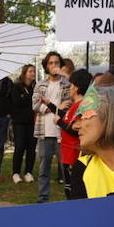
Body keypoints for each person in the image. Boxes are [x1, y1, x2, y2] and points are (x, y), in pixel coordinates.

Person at [33, 51, 69, 202]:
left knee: (66, 169)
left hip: (63, 133)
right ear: (46, 66)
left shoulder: (67, 84)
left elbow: (68, 107)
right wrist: (56, 107)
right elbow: (35, 105)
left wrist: (54, 106)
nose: (54, 65)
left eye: (56, 63)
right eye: (51, 63)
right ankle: (42, 199)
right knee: (43, 170)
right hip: (44, 132)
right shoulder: (40, 84)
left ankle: (70, 198)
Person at [57, 70, 93, 199]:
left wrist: (59, 122)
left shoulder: (81, 105)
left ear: (76, 88)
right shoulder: (74, 105)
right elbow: (68, 121)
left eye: (71, 85)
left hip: (73, 152)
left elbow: (75, 130)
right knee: (69, 186)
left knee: (72, 188)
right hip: (67, 152)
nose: (69, 88)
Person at [3, 64, 36, 183]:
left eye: (34, 71)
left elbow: (36, 102)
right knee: (20, 146)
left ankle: (28, 172)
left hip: (33, 122)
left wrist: (26, 99)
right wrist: (28, 99)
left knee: (31, 147)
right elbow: (16, 102)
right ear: (25, 73)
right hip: (19, 122)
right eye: (30, 71)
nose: (33, 73)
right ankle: (16, 173)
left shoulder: (36, 87)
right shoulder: (16, 86)